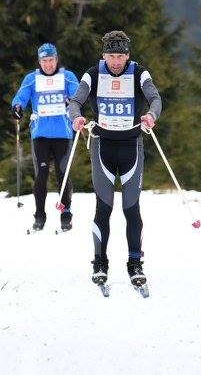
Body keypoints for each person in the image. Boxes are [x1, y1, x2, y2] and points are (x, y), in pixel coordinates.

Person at [67, 30, 162, 289]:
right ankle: (100, 262)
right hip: (102, 146)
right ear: (104, 55)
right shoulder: (94, 73)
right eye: (111, 55)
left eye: (120, 56)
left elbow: (155, 98)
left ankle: (135, 263)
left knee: (131, 208)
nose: (116, 61)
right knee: (104, 207)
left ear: (127, 55)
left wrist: (151, 116)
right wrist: (75, 117)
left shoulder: (139, 72)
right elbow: (76, 101)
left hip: (131, 145)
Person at [11, 42, 80, 232]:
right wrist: (17, 107)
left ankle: (66, 213)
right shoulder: (32, 79)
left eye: (51, 60)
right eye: (44, 61)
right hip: (40, 135)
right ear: (39, 62)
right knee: (40, 176)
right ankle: (39, 215)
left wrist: (72, 101)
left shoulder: (67, 77)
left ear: (56, 59)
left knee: (62, 175)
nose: (48, 65)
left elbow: (78, 96)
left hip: (62, 135)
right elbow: (21, 97)